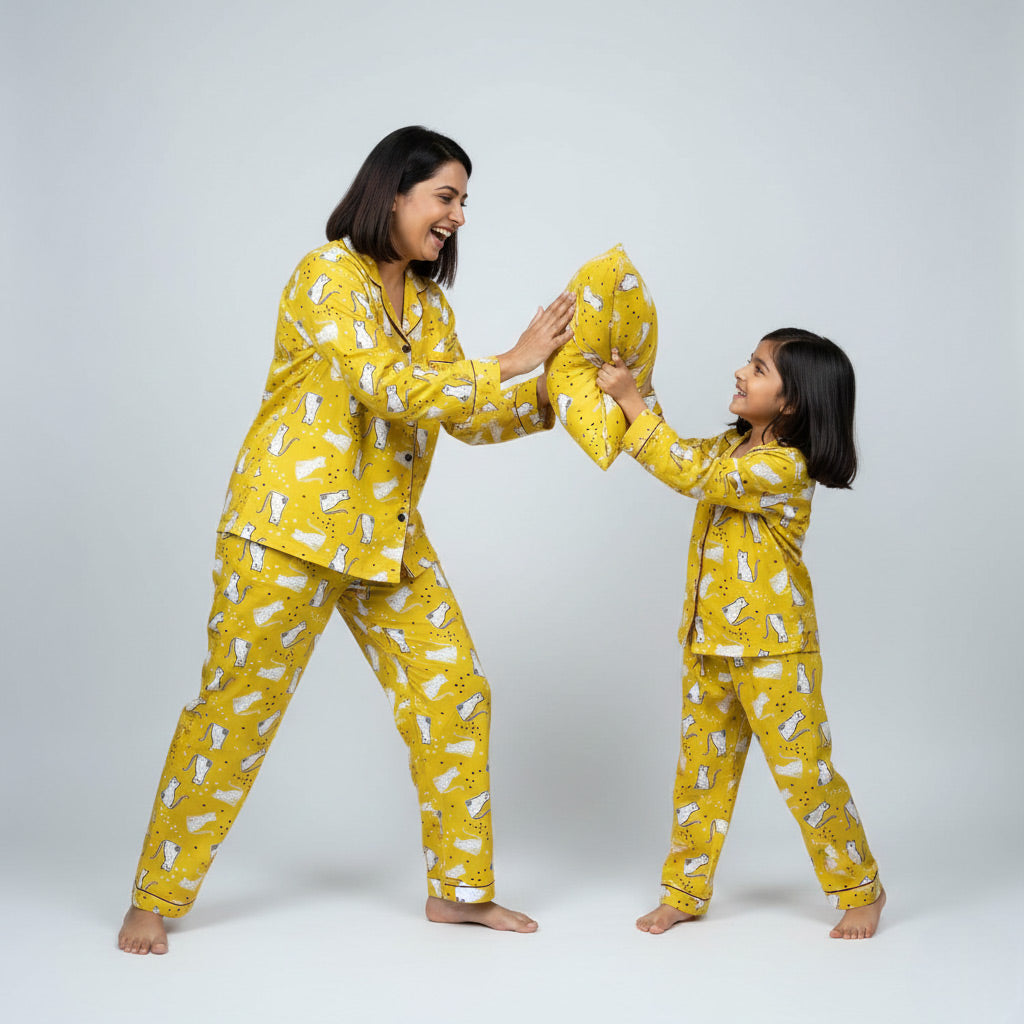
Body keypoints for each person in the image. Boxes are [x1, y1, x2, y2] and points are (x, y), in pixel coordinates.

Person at [118, 126, 574, 954]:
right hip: (286, 533)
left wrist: (566, 393)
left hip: (385, 539)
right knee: (236, 712)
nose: (458, 216)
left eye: (465, 201)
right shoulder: (326, 273)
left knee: (454, 693)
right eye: (446, 196)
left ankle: (460, 892)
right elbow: (386, 385)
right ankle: (154, 896)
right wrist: (511, 358)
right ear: (393, 192)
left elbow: (458, 412)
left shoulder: (430, 306)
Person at [596, 329, 885, 940]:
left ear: (792, 403)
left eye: (757, 369)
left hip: (773, 652)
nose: (739, 373)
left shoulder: (782, 466)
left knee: (806, 775)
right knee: (700, 774)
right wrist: (634, 390)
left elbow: (688, 472)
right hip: (707, 642)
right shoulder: (731, 446)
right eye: (748, 363)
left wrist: (634, 404)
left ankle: (861, 888)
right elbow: (674, 449)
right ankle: (684, 891)